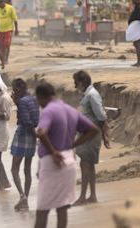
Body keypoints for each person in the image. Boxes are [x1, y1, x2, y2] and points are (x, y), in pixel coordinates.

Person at [34, 82, 99, 228]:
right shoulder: (70, 110)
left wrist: (53, 151)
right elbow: (93, 129)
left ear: (41, 97)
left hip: (52, 162)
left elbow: (41, 132)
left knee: (42, 211)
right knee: (62, 208)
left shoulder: (49, 111)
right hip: (69, 161)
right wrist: (72, 145)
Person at [72, 71, 111, 206]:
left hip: (91, 133)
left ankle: (83, 197)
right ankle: (92, 196)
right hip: (87, 133)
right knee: (88, 164)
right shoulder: (86, 94)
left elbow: (101, 115)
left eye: (76, 82)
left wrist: (105, 135)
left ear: (82, 82)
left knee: (85, 164)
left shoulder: (91, 95)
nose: (74, 85)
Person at [10, 78, 39, 210]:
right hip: (32, 134)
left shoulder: (21, 101)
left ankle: (22, 196)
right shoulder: (33, 99)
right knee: (27, 169)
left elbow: (25, 121)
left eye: (14, 90)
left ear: (18, 89)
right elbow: (35, 118)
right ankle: (25, 198)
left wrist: (17, 103)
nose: (13, 92)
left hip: (23, 134)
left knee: (14, 168)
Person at [0, 0, 18, 64]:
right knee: (1, 46)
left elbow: (15, 19)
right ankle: (2, 59)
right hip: (1, 30)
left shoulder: (10, 8)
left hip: (9, 29)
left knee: (7, 44)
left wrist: (16, 29)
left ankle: (6, 59)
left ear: (2, 2)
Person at [128, 0, 140, 67]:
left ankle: (139, 62)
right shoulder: (137, 6)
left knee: (138, 44)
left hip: (138, 28)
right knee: (136, 44)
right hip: (136, 28)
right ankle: (138, 62)